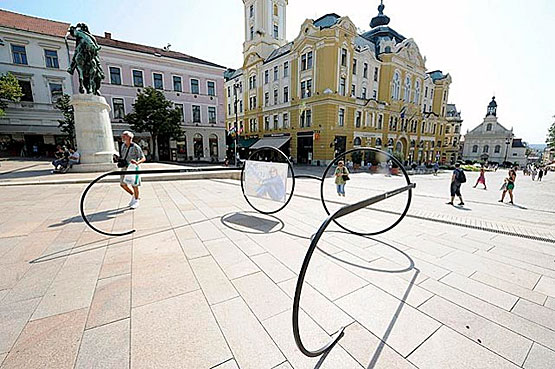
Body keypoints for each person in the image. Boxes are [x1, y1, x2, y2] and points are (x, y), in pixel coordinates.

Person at [118, 131, 146, 209]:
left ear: (129, 137)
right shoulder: (123, 146)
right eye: (122, 136)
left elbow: (143, 158)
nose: (123, 137)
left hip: (133, 168)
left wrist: (137, 162)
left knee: (134, 185)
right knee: (122, 184)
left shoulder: (136, 147)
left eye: (124, 136)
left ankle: (136, 200)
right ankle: (134, 195)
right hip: (124, 167)